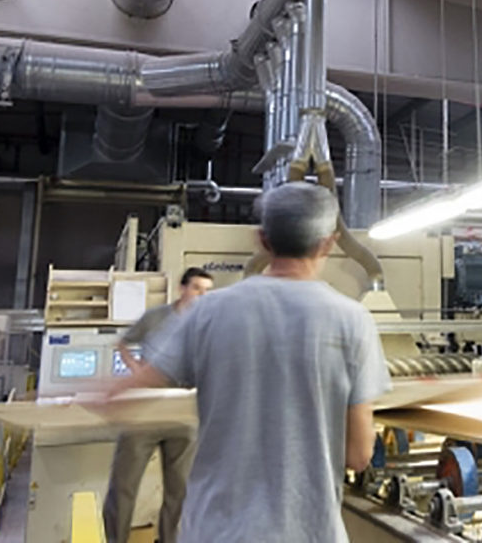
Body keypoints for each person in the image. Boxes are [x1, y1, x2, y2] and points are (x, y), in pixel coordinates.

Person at [106, 183, 392, 542]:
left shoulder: (208, 311)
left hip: (214, 531)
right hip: (307, 531)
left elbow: (132, 389)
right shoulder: (353, 320)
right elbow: (358, 455)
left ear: (262, 240)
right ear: (330, 243)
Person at [103, 266, 214, 543]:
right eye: (197, 288)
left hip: (183, 410)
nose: (201, 296)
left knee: (180, 490)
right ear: (182, 288)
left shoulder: (206, 324)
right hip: (146, 407)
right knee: (125, 485)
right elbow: (123, 343)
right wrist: (135, 370)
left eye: (207, 291)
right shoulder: (156, 318)